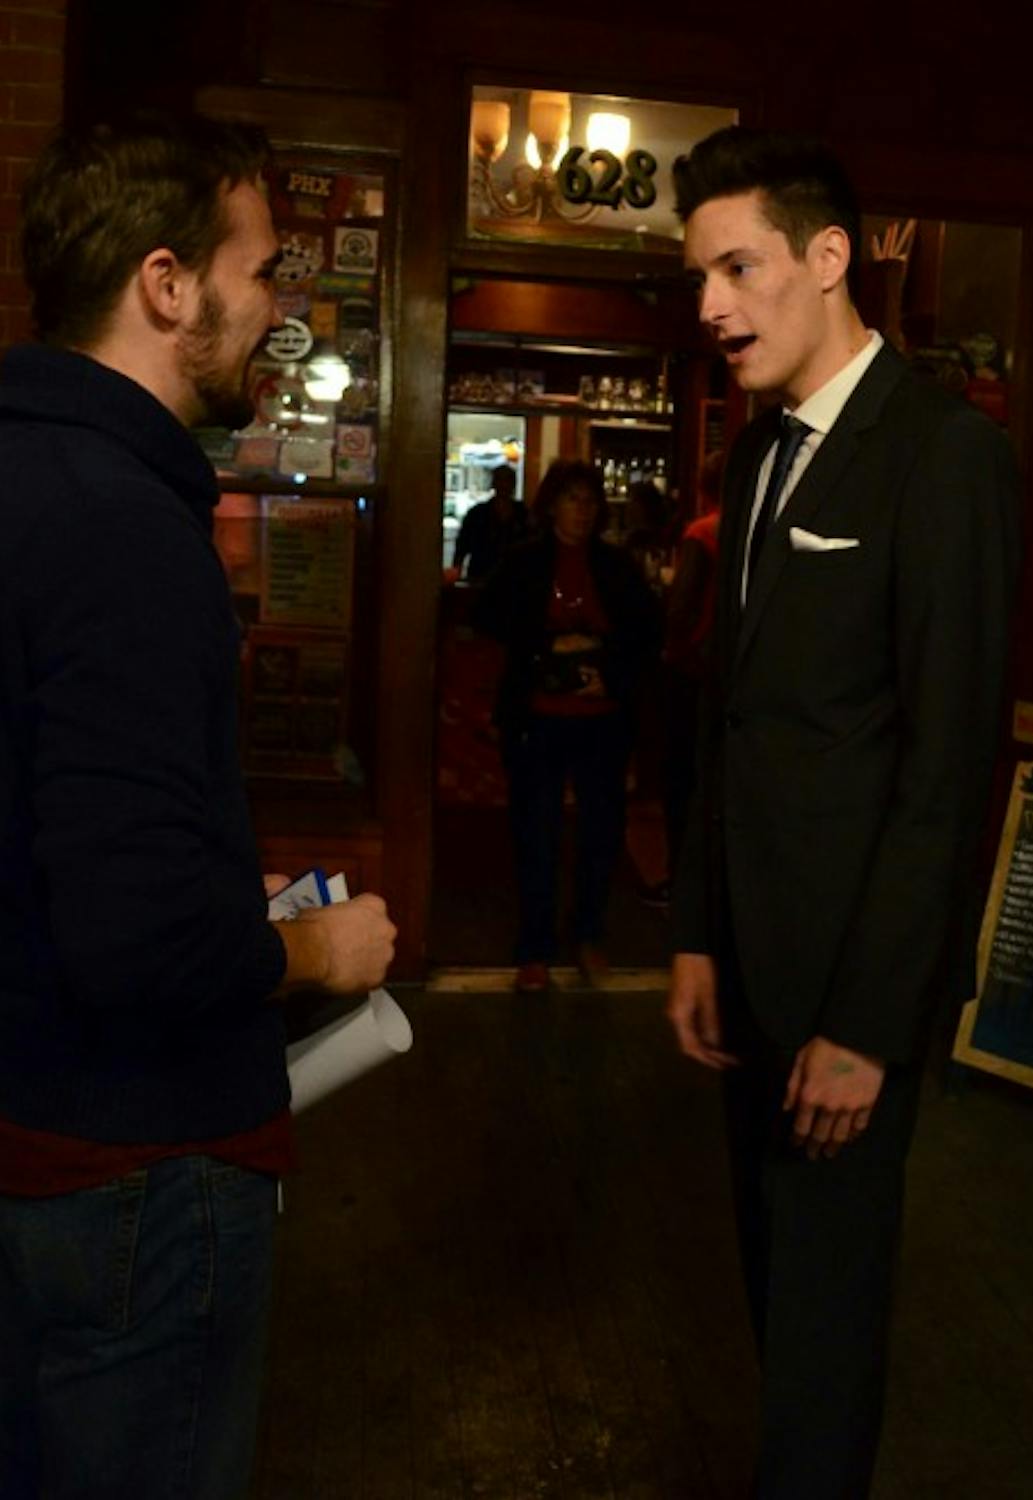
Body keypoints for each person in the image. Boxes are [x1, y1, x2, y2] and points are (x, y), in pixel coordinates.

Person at [0, 113, 397, 1499]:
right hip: (131, 1177)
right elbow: (141, 941)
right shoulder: (123, 524)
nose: (280, 314)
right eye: (265, 271)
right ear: (169, 286)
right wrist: (314, 953)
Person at [665, 127, 1020, 1497]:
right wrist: (696, 932)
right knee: (773, 1291)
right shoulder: (757, 462)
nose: (710, 305)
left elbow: (947, 771)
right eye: (700, 273)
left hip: (848, 995)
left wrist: (871, 1026)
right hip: (747, 965)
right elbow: (731, 723)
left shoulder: (943, 459)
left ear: (828, 260)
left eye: (738, 267)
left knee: (823, 1330)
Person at [475, 459, 659, 992]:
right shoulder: (525, 561)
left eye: (590, 500)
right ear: (551, 502)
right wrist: (544, 647)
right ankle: (535, 947)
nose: (583, 509)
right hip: (539, 717)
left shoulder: (615, 564)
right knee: (537, 832)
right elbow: (486, 616)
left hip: (601, 719)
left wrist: (612, 678)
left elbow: (648, 632)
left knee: (600, 834)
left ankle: (588, 935)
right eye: (573, 498)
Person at [659, 449, 725, 886]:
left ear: (703, 487)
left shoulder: (704, 532)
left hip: (692, 674)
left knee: (682, 782)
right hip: (730, 675)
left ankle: (681, 881)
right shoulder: (756, 528)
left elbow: (680, 611)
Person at [451, 463, 523, 586]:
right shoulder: (477, 514)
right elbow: (461, 546)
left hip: (514, 580)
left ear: (514, 484)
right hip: (481, 578)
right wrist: (455, 572)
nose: (504, 485)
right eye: (501, 480)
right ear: (494, 483)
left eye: (508, 481)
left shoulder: (523, 515)